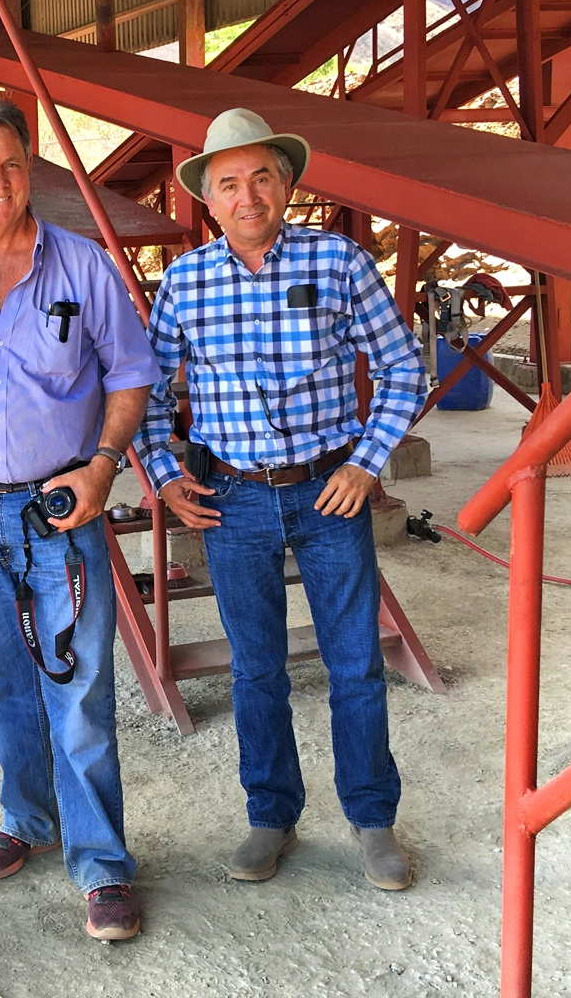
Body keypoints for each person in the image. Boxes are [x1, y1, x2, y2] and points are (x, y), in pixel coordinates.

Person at [133, 108, 427, 891]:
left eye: (262, 177)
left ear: (287, 183)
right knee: (255, 669)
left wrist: (366, 463)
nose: (248, 195)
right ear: (208, 199)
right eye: (229, 183)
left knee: (355, 663)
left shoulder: (338, 262)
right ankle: (271, 816)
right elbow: (147, 394)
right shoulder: (186, 282)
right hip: (232, 499)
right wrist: (164, 475)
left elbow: (403, 368)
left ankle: (372, 819)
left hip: (330, 493)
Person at [0, 98, 158, 941]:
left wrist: (104, 466)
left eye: (11, 164)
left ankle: (102, 863)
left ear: (30, 168)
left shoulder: (83, 267)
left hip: (61, 506)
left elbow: (130, 375)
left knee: (77, 686)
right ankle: (30, 818)